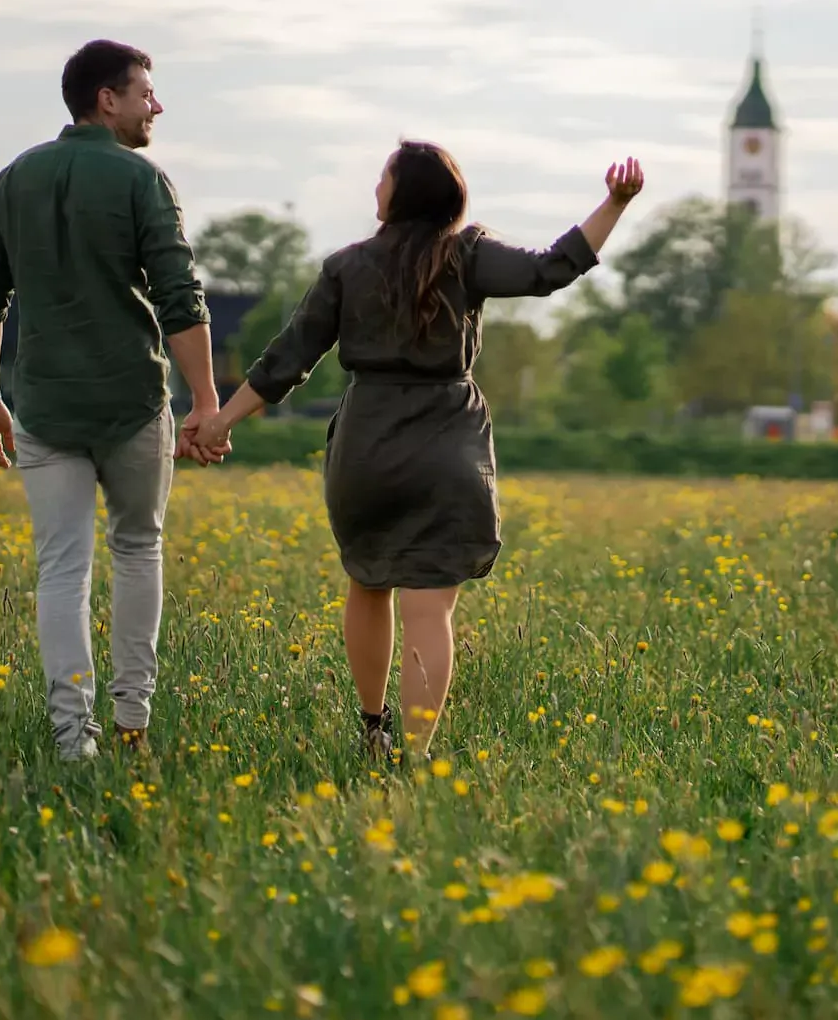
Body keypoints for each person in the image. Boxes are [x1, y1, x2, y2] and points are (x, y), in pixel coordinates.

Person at [188, 141, 644, 761]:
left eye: (383, 177)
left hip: (367, 446)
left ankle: (372, 729)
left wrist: (220, 421)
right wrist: (614, 203)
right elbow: (551, 269)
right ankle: (417, 753)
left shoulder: (346, 267)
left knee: (367, 585)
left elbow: (286, 360)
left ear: (405, 192)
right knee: (430, 611)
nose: (375, 186)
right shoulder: (468, 257)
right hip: (446, 447)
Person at [0, 39, 228, 763]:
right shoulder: (142, 179)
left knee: (61, 568)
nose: (157, 105)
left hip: (43, 403)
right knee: (139, 546)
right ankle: (131, 720)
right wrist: (207, 400)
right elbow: (180, 295)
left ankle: (70, 738)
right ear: (106, 99)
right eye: (146, 91)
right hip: (133, 399)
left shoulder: (11, 179)